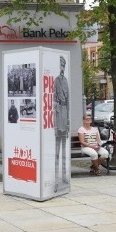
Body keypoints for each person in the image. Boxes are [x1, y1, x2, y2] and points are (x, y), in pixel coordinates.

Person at [53, 56, 70, 190]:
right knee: (56, 152)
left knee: (64, 151)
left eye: (63, 66)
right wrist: (54, 124)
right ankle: (55, 179)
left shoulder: (65, 81)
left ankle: (64, 176)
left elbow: (68, 101)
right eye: (60, 66)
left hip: (64, 115)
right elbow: (53, 102)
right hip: (58, 116)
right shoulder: (56, 81)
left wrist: (68, 122)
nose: (62, 68)